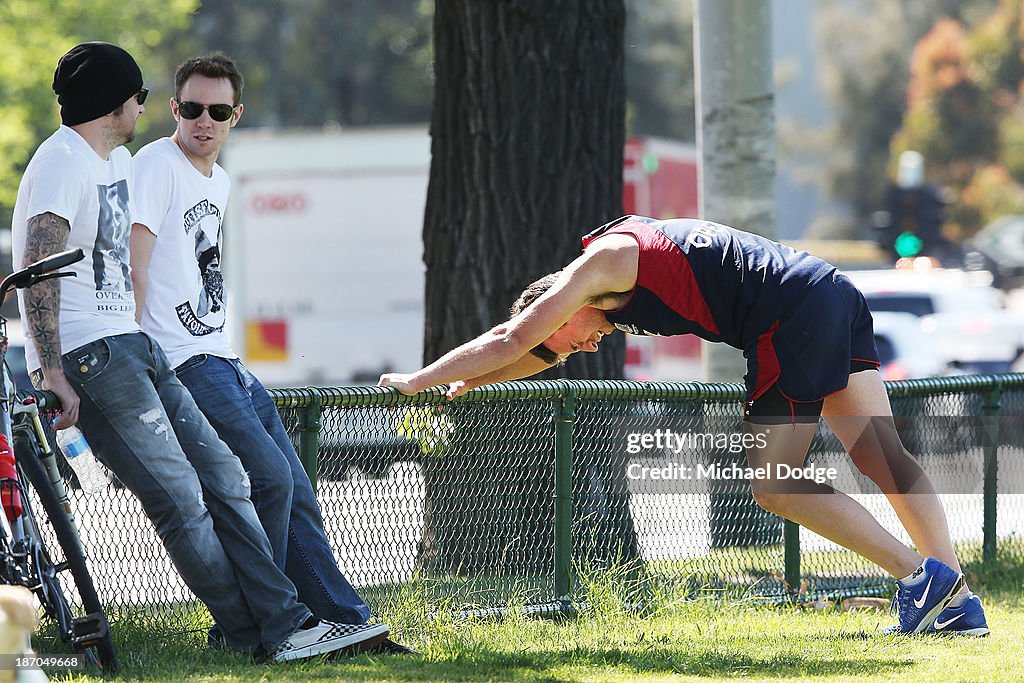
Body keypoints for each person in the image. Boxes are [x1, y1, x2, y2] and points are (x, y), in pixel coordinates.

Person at [379, 214, 989, 637]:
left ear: (556, 307)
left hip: (788, 313)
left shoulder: (601, 265)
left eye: (566, 341)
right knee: (881, 454)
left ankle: (919, 577)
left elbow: (514, 337)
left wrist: (418, 381)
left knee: (775, 483)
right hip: (828, 289)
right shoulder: (607, 290)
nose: (582, 348)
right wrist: (463, 386)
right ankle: (956, 602)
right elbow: (531, 353)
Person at [12, 41, 389, 663]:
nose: (143, 107)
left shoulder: (113, 161)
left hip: (132, 345)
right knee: (181, 499)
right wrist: (52, 368)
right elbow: (36, 265)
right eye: (139, 96)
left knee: (227, 479)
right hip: (89, 353)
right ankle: (267, 628)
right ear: (119, 100)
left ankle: (281, 624)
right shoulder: (62, 162)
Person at [129, 52, 412, 654]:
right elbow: (138, 262)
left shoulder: (220, 180)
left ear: (237, 115)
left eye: (220, 110)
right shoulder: (156, 165)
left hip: (225, 359)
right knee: (271, 480)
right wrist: (140, 357)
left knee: (298, 489)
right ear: (175, 109)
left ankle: (347, 620)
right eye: (194, 108)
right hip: (183, 362)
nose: (205, 121)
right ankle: (254, 625)